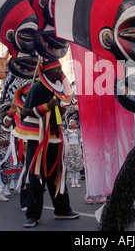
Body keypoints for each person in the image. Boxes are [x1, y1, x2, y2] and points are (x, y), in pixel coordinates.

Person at [17, 58, 79, 228]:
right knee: (36, 175)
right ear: (48, 72)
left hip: (55, 136)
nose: (61, 71)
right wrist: (46, 106)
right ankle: (32, 215)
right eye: (57, 69)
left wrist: (60, 110)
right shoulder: (37, 88)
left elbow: (55, 113)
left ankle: (62, 209)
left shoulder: (59, 89)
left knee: (57, 175)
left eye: (60, 68)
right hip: (38, 138)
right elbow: (24, 112)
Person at [64, 119, 84, 188]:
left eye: (74, 122)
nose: (74, 123)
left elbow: (80, 139)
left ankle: (76, 181)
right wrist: (67, 149)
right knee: (71, 164)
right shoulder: (67, 131)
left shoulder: (77, 131)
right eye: (72, 122)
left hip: (77, 147)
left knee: (77, 164)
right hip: (70, 147)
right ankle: (72, 181)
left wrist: (80, 148)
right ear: (69, 123)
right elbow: (65, 140)